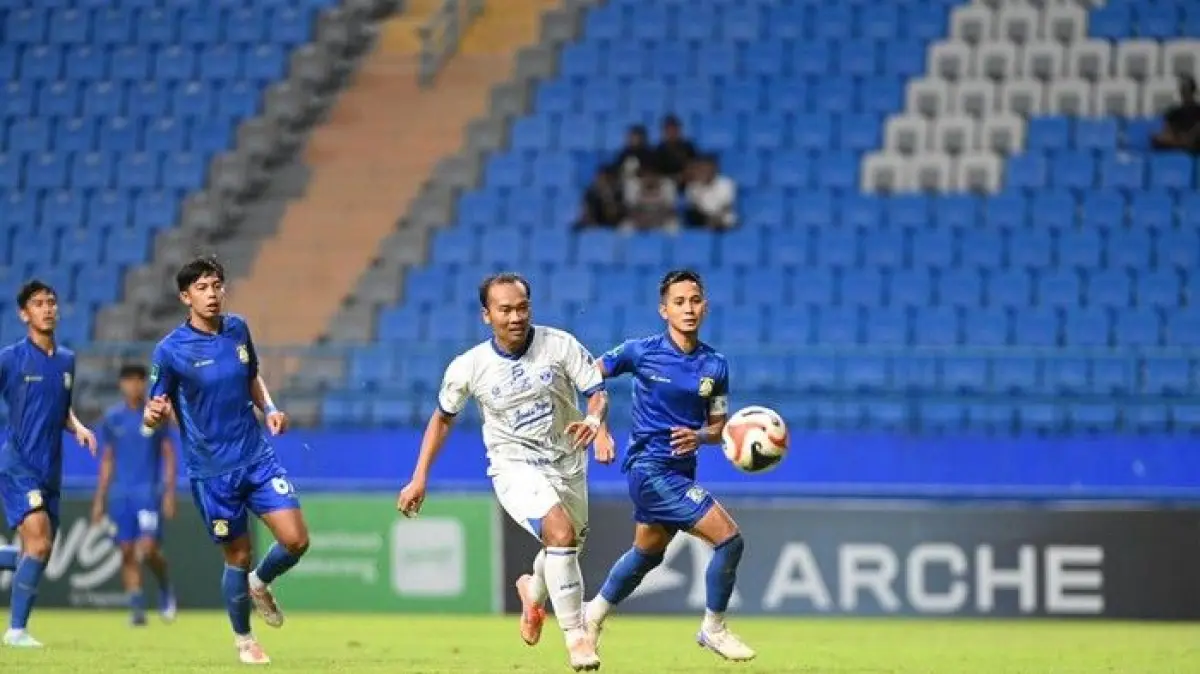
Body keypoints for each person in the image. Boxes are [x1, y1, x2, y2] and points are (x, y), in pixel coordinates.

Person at [396, 272, 609, 672]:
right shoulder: (469, 366)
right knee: (560, 533)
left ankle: (533, 591)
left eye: (522, 307)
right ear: (486, 315)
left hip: (568, 463)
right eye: (505, 309)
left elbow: (596, 392)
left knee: (564, 547)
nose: (515, 317)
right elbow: (442, 419)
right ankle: (576, 637)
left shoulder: (559, 345)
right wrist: (419, 476)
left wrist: (595, 423)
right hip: (514, 466)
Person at [142, 256, 310, 665]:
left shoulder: (238, 329)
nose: (212, 294)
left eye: (216, 285)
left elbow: (251, 375)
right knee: (237, 556)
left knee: (296, 540)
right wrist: (152, 415)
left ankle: (260, 583)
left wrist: (269, 408)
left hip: (256, 457)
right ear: (186, 297)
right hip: (213, 472)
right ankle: (245, 641)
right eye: (201, 288)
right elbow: (153, 407)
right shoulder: (170, 350)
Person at [582, 269, 755, 662]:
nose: (688, 308)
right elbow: (588, 374)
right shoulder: (640, 351)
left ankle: (592, 616)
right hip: (649, 468)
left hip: (681, 469)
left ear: (705, 306)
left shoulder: (716, 365)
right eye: (679, 302)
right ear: (664, 310)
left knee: (648, 553)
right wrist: (599, 428)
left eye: (694, 300)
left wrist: (700, 436)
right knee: (729, 539)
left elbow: (718, 427)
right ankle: (714, 628)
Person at [0, 280, 98, 648]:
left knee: (38, 551)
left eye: (52, 302)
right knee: (39, 545)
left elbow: (60, 409)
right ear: (24, 314)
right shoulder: (10, 359)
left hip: (50, 469)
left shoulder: (67, 360)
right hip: (18, 464)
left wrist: (78, 426)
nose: (47, 309)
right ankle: (16, 631)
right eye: (39, 303)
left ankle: (16, 624)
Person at [91, 363, 178, 626]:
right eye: (128, 380)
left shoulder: (154, 414)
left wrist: (169, 493)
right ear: (121, 384)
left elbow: (169, 454)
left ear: (144, 383)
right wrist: (100, 499)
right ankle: (137, 608)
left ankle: (165, 586)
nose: (134, 385)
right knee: (127, 550)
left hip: (148, 493)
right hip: (121, 494)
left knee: (148, 549)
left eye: (139, 380)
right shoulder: (112, 418)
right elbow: (107, 459)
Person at [683, 155, 738, 231]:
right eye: (702, 169)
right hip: (703, 219)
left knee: (728, 219)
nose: (704, 171)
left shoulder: (726, 183)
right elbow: (694, 206)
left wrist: (715, 218)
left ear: (714, 169)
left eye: (707, 168)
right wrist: (701, 188)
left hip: (722, 217)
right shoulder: (692, 186)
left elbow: (727, 206)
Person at [1152, 75, 1200, 153]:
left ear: (1192, 91)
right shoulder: (1174, 113)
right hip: (1177, 140)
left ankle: (1183, 143)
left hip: (1194, 141)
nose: (1184, 93)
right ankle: (1182, 144)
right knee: (1157, 137)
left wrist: (1190, 136)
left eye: (1186, 90)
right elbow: (1168, 130)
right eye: (1183, 90)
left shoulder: (1198, 110)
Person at [653, 115, 698, 186]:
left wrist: (685, 175)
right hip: (666, 182)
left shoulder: (688, 147)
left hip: (687, 181)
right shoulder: (659, 150)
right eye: (669, 130)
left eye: (674, 130)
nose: (672, 133)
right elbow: (657, 172)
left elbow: (694, 164)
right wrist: (674, 177)